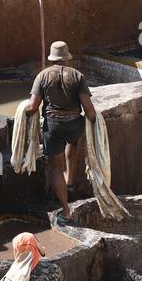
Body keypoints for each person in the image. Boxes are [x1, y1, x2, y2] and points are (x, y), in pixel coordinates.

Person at [25, 41, 96, 221]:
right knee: (72, 142)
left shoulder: (42, 76)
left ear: (52, 58)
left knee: (56, 166)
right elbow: (89, 109)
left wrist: (23, 112)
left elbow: (33, 106)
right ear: (67, 58)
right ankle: (69, 182)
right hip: (74, 124)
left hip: (53, 126)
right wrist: (95, 124)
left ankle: (65, 210)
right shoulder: (77, 76)